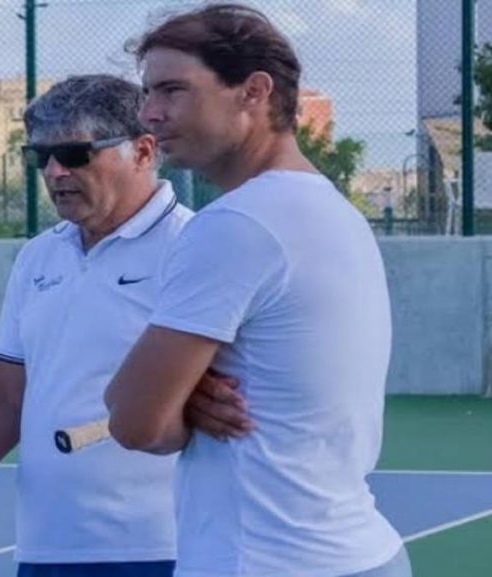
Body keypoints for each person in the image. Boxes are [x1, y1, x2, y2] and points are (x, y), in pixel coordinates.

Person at [104, 4, 411, 577]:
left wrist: (176, 401)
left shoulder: (237, 225)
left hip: (268, 561)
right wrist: (186, 397)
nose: (150, 114)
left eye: (172, 90)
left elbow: (133, 421)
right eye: (147, 93)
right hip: (361, 554)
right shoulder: (331, 209)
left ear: (253, 92)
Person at [0, 74, 244, 577]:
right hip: (47, 548)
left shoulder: (199, 248)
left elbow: (237, 395)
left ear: (144, 151)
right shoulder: (38, 257)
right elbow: (7, 398)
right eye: (42, 157)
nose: (55, 171)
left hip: (168, 547)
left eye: (76, 154)